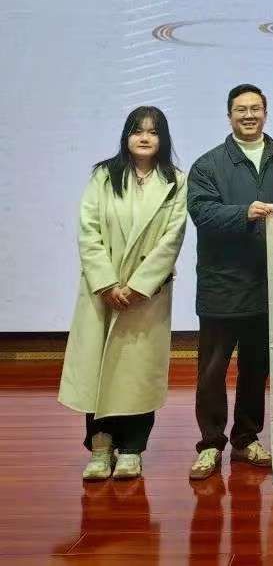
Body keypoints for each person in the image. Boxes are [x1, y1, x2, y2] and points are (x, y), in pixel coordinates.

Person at [59, 107, 188, 481]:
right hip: (103, 291)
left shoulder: (175, 181)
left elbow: (172, 238)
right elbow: (89, 230)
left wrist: (138, 286)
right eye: (137, 130)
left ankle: (132, 448)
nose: (144, 138)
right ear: (126, 136)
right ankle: (100, 447)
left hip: (146, 295)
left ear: (163, 138)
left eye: (153, 132)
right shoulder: (104, 175)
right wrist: (107, 283)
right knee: (99, 368)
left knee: (137, 372)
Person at [186, 84, 273, 480]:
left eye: (255, 109)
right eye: (240, 109)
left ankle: (247, 437)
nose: (249, 115)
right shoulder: (208, 164)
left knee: (256, 369)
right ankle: (210, 443)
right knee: (212, 371)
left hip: (266, 285)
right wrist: (243, 213)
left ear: (265, 113)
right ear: (229, 115)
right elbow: (202, 213)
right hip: (222, 285)